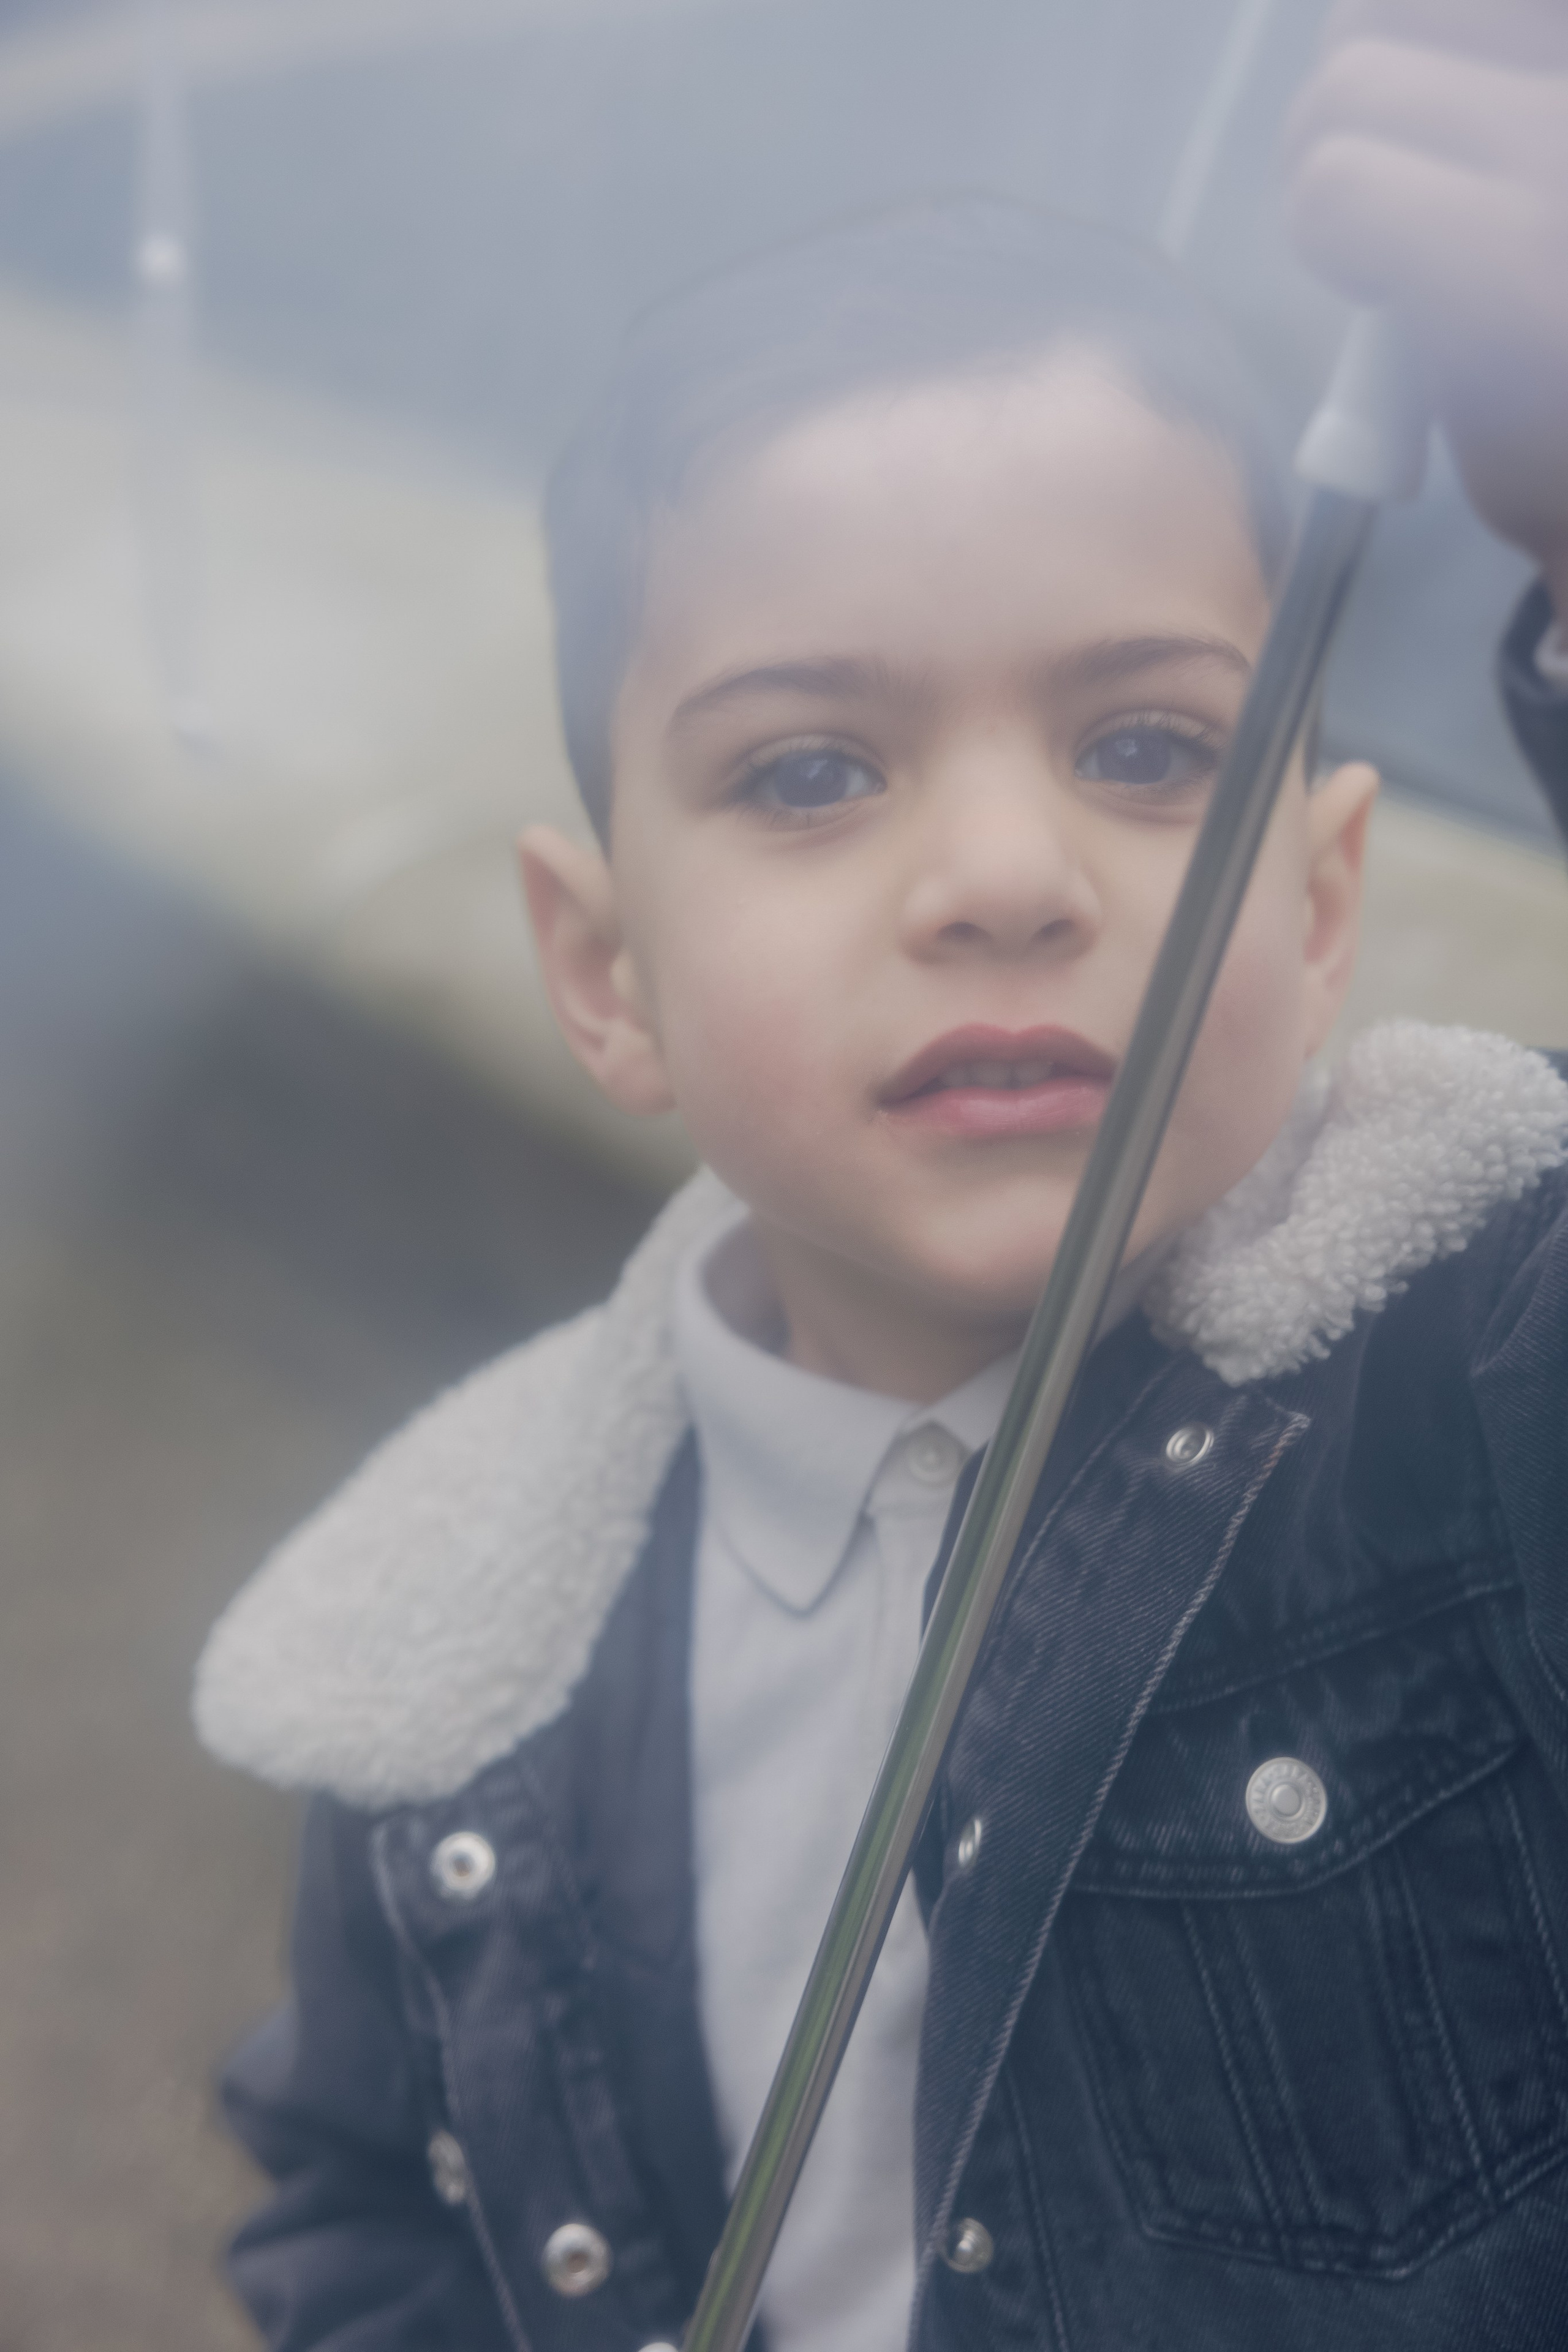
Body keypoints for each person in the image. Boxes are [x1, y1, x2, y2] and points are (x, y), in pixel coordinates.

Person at [194, 2, 1568, 2345]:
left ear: (1321, 904)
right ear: (601, 967)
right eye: (814, 774)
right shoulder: (439, 1663)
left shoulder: (1476, 1386)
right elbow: (358, 2208)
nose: (1007, 875)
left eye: (1149, 747)